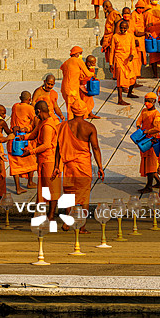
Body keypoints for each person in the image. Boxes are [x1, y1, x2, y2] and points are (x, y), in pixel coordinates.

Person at [54, 99, 104, 233]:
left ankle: (68, 222)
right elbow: (95, 148)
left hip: (69, 165)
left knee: (69, 195)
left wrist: (56, 166)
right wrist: (100, 166)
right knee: (84, 197)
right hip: (83, 165)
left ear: (72, 111)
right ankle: (82, 226)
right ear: (84, 111)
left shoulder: (63, 126)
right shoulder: (89, 127)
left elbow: (58, 148)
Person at [22, 100, 59, 221]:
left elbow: (46, 145)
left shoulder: (48, 125)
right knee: (43, 188)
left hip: (49, 160)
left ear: (38, 111)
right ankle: (41, 214)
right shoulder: (43, 122)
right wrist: (23, 137)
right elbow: (34, 134)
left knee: (50, 188)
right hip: (43, 159)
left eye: (36, 113)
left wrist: (31, 152)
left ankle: (51, 215)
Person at [8, 92, 38, 192]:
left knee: (15, 163)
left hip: (13, 139)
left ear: (20, 98)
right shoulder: (29, 108)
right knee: (31, 159)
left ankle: (18, 187)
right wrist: (27, 128)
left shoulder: (15, 106)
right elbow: (35, 121)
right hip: (23, 138)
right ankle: (30, 182)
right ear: (29, 99)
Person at [59, 46, 94, 118]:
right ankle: (71, 124)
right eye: (80, 53)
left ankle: (77, 120)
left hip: (65, 88)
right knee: (72, 107)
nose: (81, 55)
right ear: (76, 54)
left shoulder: (66, 62)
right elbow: (88, 74)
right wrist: (93, 74)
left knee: (72, 105)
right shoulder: (78, 61)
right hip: (72, 89)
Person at [137, 92, 160, 194]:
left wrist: (150, 133)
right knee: (148, 164)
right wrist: (139, 128)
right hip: (144, 139)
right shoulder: (144, 111)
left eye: (149, 102)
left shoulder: (156, 114)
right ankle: (159, 182)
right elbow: (139, 121)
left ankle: (149, 186)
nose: (147, 103)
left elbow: (157, 127)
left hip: (151, 141)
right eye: (145, 101)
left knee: (151, 165)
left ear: (154, 102)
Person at [111, 20, 139, 105]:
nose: (123, 29)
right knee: (120, 80)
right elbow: (112, 50)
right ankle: (120, 100)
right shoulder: (115, 36)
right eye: (121, 28)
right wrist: (110, 64)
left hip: (128, 60)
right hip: (119, 60)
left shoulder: (130, 36)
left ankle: (129, 93)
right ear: (119, 28)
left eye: (124, 28)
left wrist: (132, 55)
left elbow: (133, 49)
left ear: (127, 28)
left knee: (133, 78)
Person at [101, 0, 122, 65]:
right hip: (109, 39)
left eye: (104, 7)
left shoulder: (115, 14)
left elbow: (117, 27)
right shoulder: (110, 14)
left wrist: (114, 39)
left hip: (113, 39)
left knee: (115, 60)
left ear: (106, 7)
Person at [79, 54, 100, 120]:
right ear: (88, 63)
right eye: (93, 63)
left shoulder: (91, 68)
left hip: (88, 87)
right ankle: (83, 115)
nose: (94, 65)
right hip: (81, 87)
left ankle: (90, 113)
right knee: (84, 101)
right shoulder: (82, 68)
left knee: (90, 101)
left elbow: (91, 76)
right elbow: (81, 79)